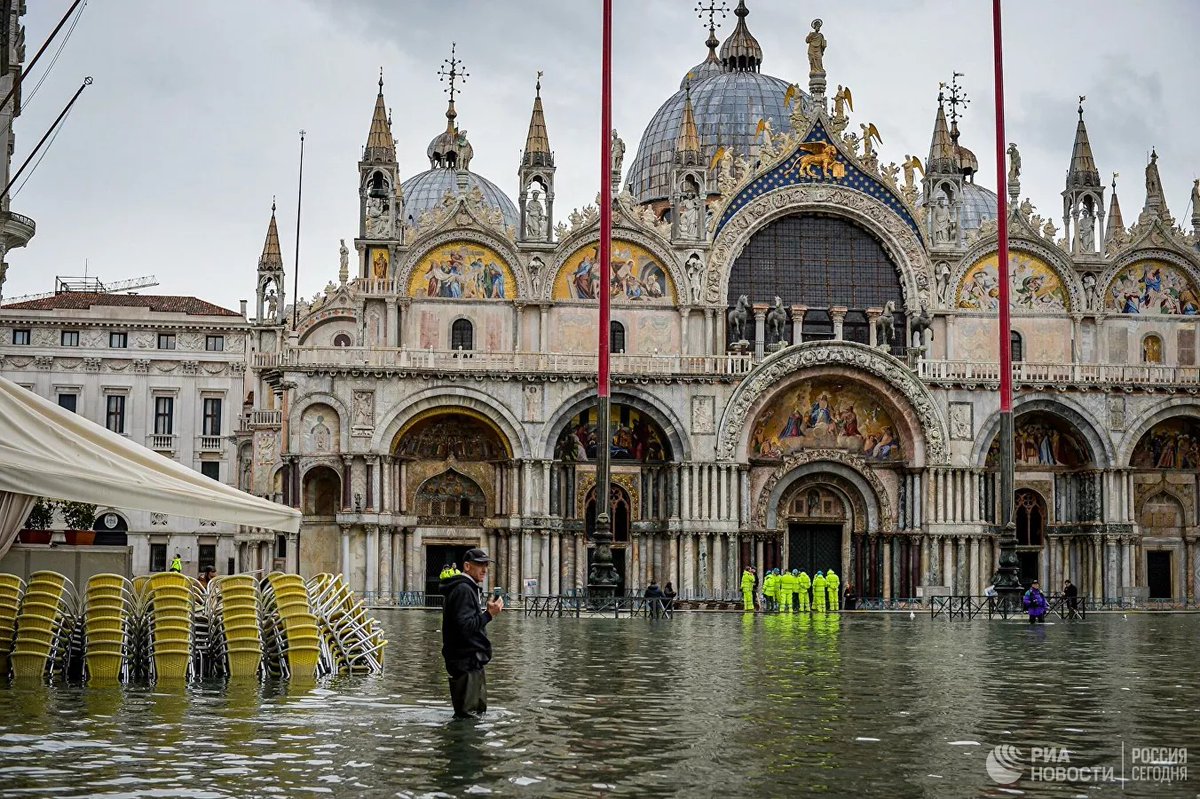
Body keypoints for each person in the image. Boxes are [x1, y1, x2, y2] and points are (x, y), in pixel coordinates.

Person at [441, 548, 503, 718]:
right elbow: (465, 627)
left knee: (475, 714)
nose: (484, 569)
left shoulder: (466, 588)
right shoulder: (463, 589)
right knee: (468, 718)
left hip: (470, 662)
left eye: (486, 565)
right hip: (466, 661)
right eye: (479, 565)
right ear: (467, 566)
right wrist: (489, 614)